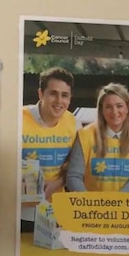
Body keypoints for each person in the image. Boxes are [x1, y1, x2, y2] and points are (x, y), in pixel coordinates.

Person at [20, 67, 78, 232]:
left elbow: (74, 165)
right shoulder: (18, 119)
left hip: (56, 212)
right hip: (20, 213)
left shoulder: (74, 123)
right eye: (53, 93)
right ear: (41, 94)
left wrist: (57, 183)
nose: (59, 101)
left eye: (65, 95)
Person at [66, 83, 129, 192]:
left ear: (127, 108)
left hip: (125, 206)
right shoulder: (84, 135)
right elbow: (74, 177)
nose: (114, 112)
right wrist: (89, 204)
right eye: (108, 107)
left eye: (119, 106)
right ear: (101, 110)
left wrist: (115, 203)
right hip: (90, 206)